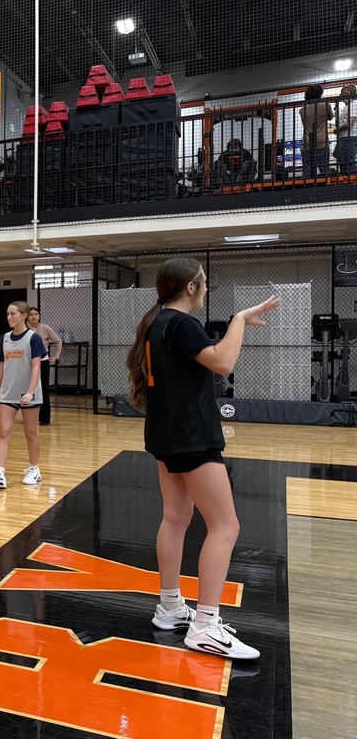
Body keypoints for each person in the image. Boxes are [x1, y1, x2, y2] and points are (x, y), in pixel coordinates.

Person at [125, 257, 279, 659]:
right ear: (190, 288)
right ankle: (206, 626)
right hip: (191, 437)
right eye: (204, 282)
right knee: (226, 526)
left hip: (165, 434)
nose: (206, 287)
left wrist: (236, 321)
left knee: (176, 519)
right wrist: (240, 320)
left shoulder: (157, 323)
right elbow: (224, 363)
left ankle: (171, 606)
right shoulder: (181, 323)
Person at [0, 302, 45, 489]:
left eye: (13, 314)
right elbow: (3, 366)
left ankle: (34, 469)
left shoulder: (33, 338)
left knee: (30, 433)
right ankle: (0, 472)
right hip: (8, 393)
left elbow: (36, 367)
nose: (9, 317)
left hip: (28, 394)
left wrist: (30, 391)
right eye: (7, 314)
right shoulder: (4, 338)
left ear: (24, 315)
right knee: (3, 432)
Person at [27, 307, 62, 426]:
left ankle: (45, 418)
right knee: (29, 389)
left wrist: (56, 356)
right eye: (31, 314)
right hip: (28, 362)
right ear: (26, 316)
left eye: (36, 314)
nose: (33, 316)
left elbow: (57, 341)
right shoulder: (24, 329)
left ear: (39, 316)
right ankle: (31, 417)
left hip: (43, 361)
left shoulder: (45, 328)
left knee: (43, 389)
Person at [300, 84, 334, 178]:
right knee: (324, 169)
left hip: (306, 143)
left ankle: (306, 189)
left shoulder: (302, 110)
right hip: (322, 141)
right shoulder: (325, 105)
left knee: (307, 170)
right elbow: (330, 117)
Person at [335, 83, 357, 175]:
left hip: (349, 138)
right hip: (344, 139)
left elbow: (350, 123)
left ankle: (351, 186)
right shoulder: (347, 107)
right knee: (344, 165)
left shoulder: (353, 104)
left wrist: (336, 130)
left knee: (348, 165)